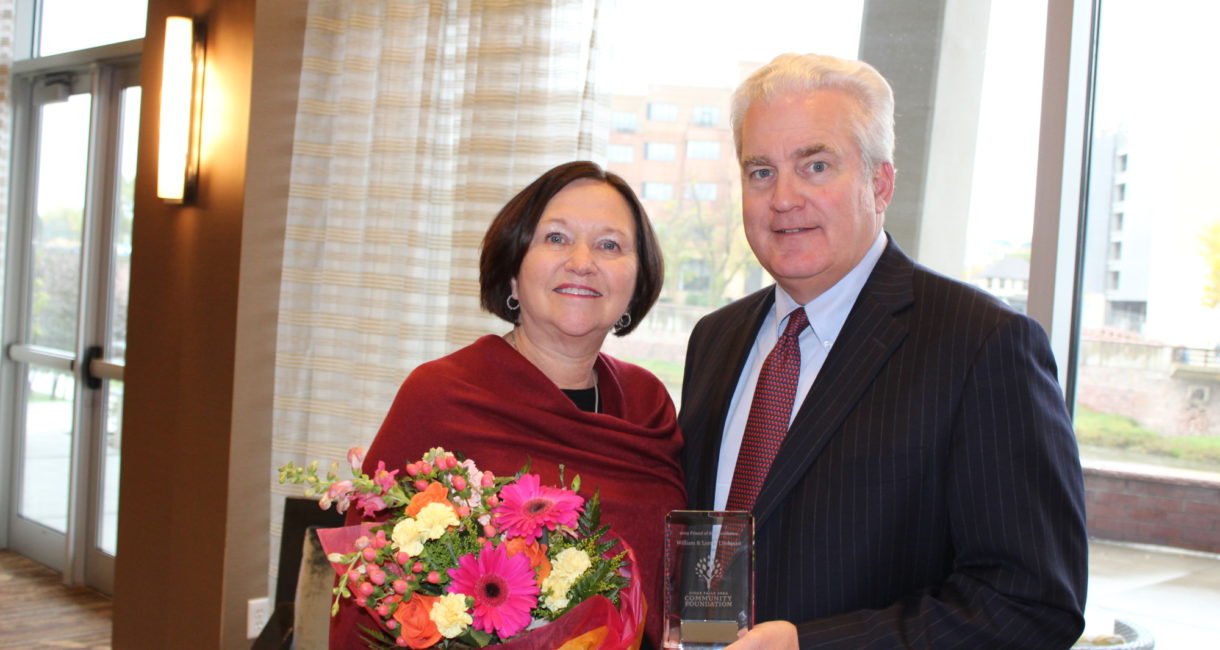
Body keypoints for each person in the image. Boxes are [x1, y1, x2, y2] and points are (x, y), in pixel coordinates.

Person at [679, 53, 1088, 647]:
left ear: (880, 182)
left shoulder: (981, 344)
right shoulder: (715, 339)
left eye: (815, 165)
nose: (783, 197)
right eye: (760, 171)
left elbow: (1030, 602)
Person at [331, 161, 795, 649]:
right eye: (556, 238)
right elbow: (370, 592)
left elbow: (681, 571)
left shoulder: (646, 403)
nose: (582, 261)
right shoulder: (440, 395)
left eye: (609, 245)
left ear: (636, 285)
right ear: (513, 271)